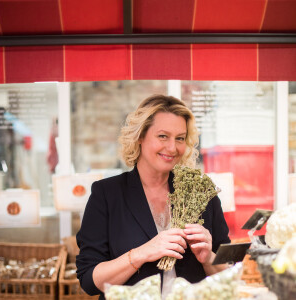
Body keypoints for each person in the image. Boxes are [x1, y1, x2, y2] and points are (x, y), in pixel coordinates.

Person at [76, 94, 230, 299]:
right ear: (140, 136)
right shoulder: (107, 194)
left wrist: (208, 257)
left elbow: (230, 277)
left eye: (180, 138)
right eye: (163, 136)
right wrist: (142, 253)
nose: (172, 148)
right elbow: (89, 281)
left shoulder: (200, 192)